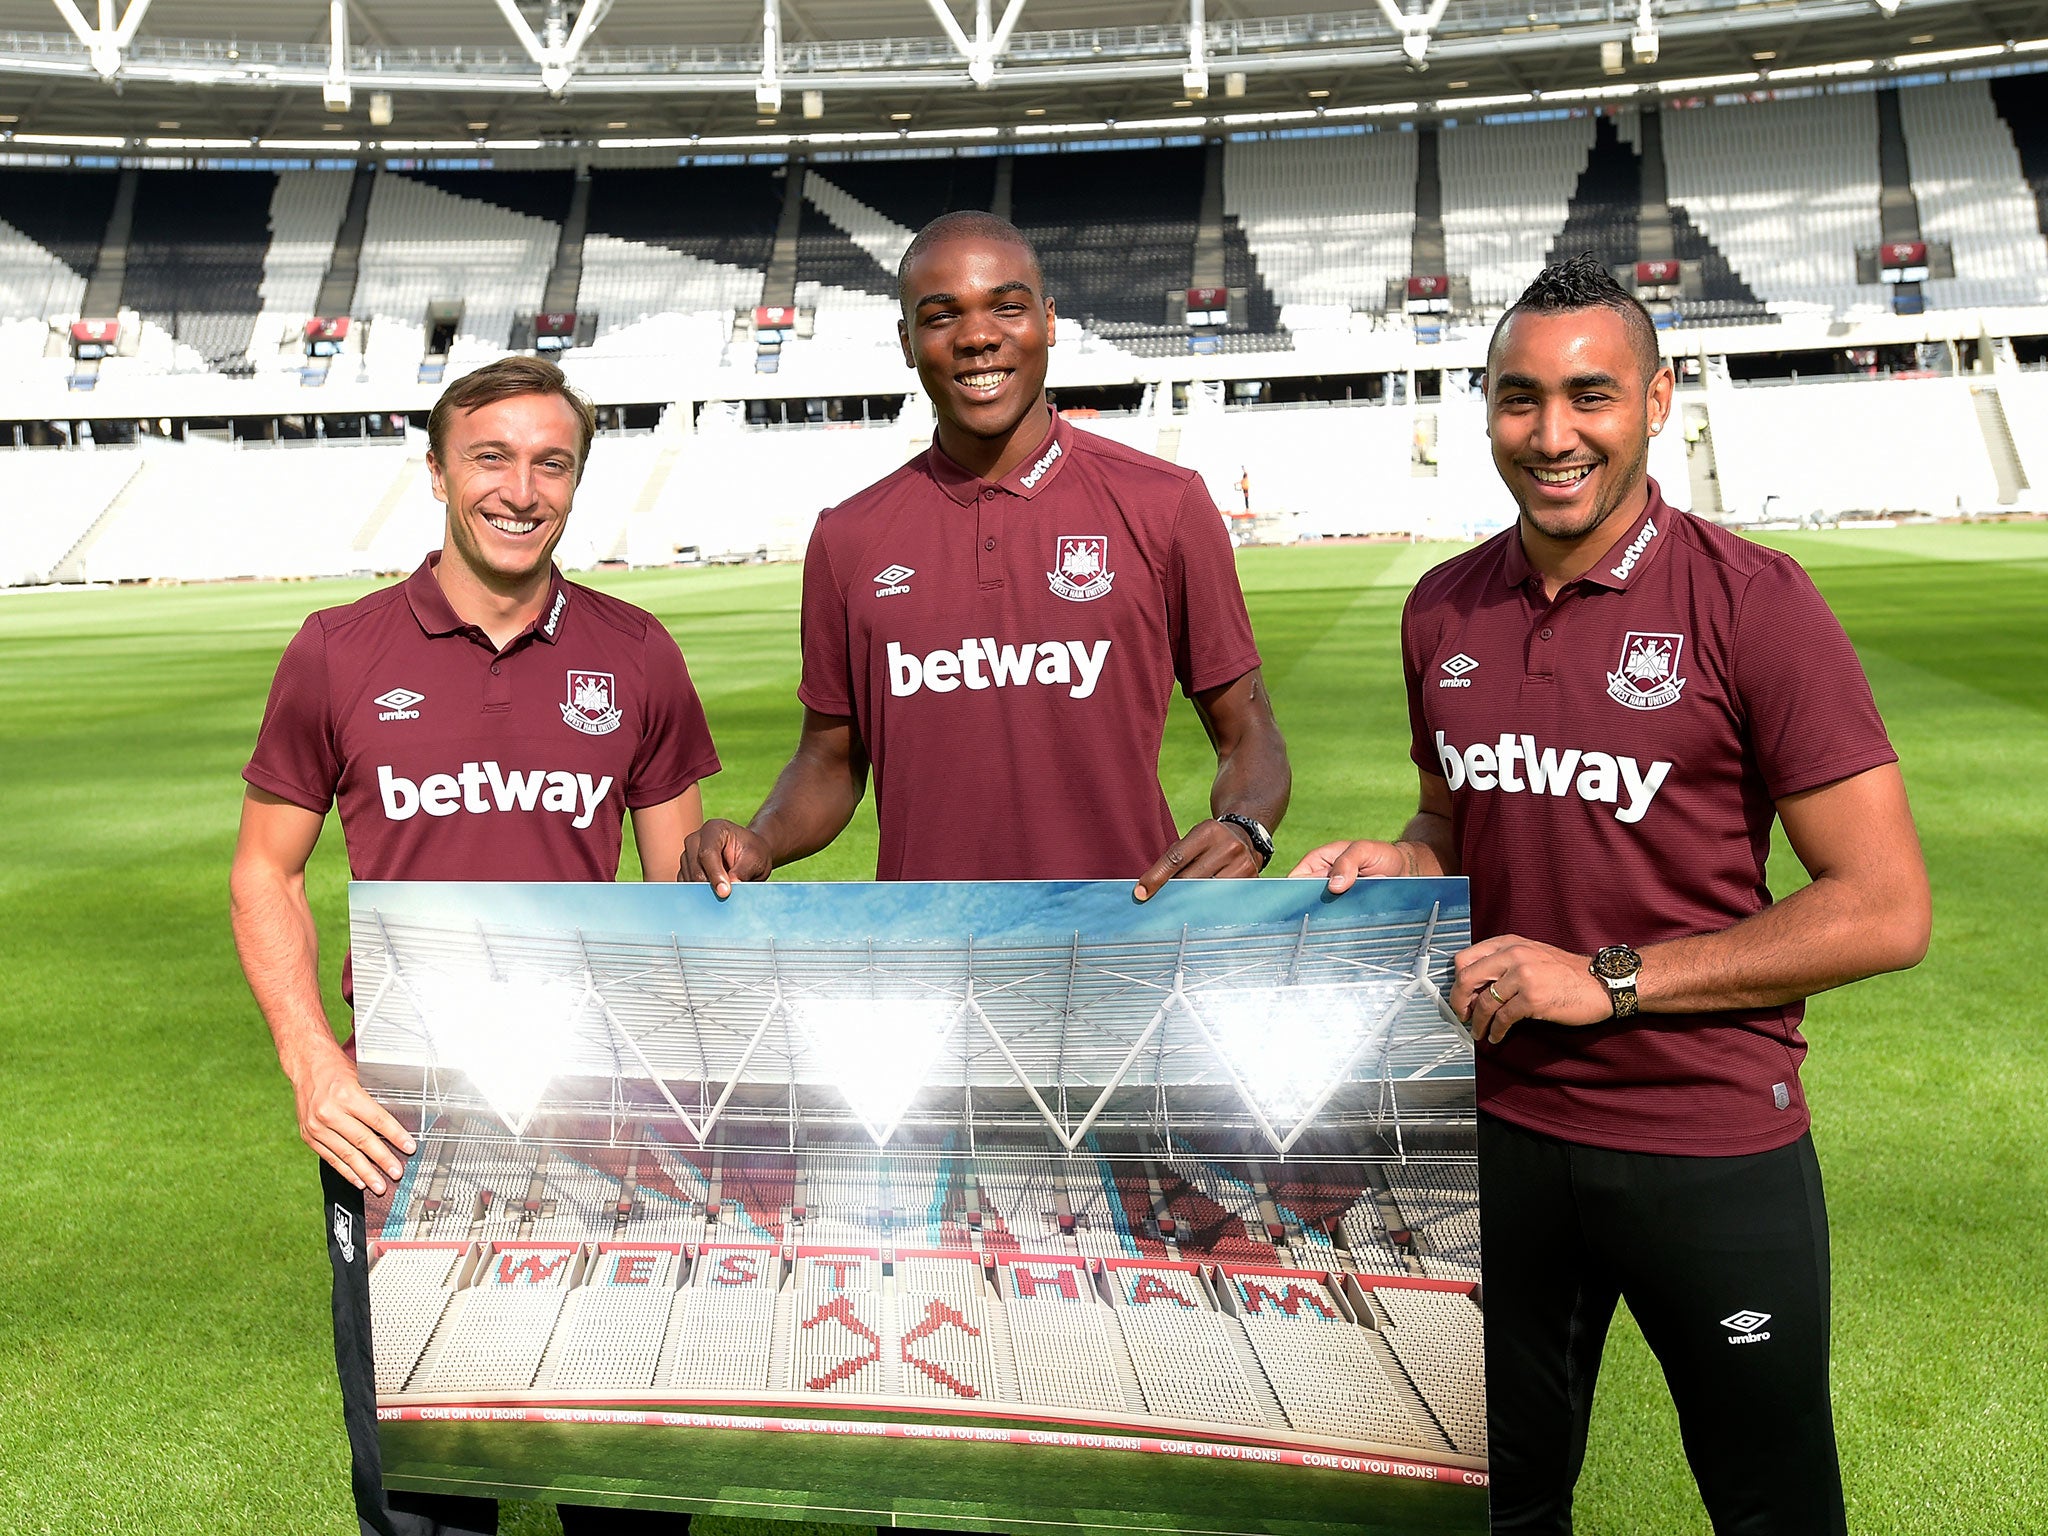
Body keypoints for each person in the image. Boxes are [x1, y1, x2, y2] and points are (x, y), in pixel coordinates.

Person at [1294, 255, 1929, 1535]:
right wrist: (1395, 865)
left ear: (1656, 400)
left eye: (1589, 396)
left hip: (1704, 1142)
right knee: (1502, 1504)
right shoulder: (1440, 609)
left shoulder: (1753, 603)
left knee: (1771, 1509)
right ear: (1482, 412)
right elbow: (1450, 817)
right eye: (1517, 400)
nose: (1551, 434)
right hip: (1498, 1136)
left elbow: (1881, 906)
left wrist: (1610, 978)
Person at [230, 356, 721, 1536]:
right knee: (428, 1486)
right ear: (439, 469)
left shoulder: (636, 651)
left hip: (598, 1117)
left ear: (578, 481)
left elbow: (677, 901)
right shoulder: (338, 650)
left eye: (551, 462)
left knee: (625, 1478)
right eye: (491, 456)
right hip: (404, 1114)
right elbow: (265, 870)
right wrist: (311, 1057)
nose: (520, 487)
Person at [684, 210, 1290, 896]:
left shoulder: (1165, 504)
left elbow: (1248, 733)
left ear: (1049, 321)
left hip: (1122, 945)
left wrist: (1247, 825)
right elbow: (828, 763)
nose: (978, 336)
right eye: (941, 316)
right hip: (930, 957)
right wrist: (760, 837)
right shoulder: (847, 539)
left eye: (1007, 306)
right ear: (907, 342)